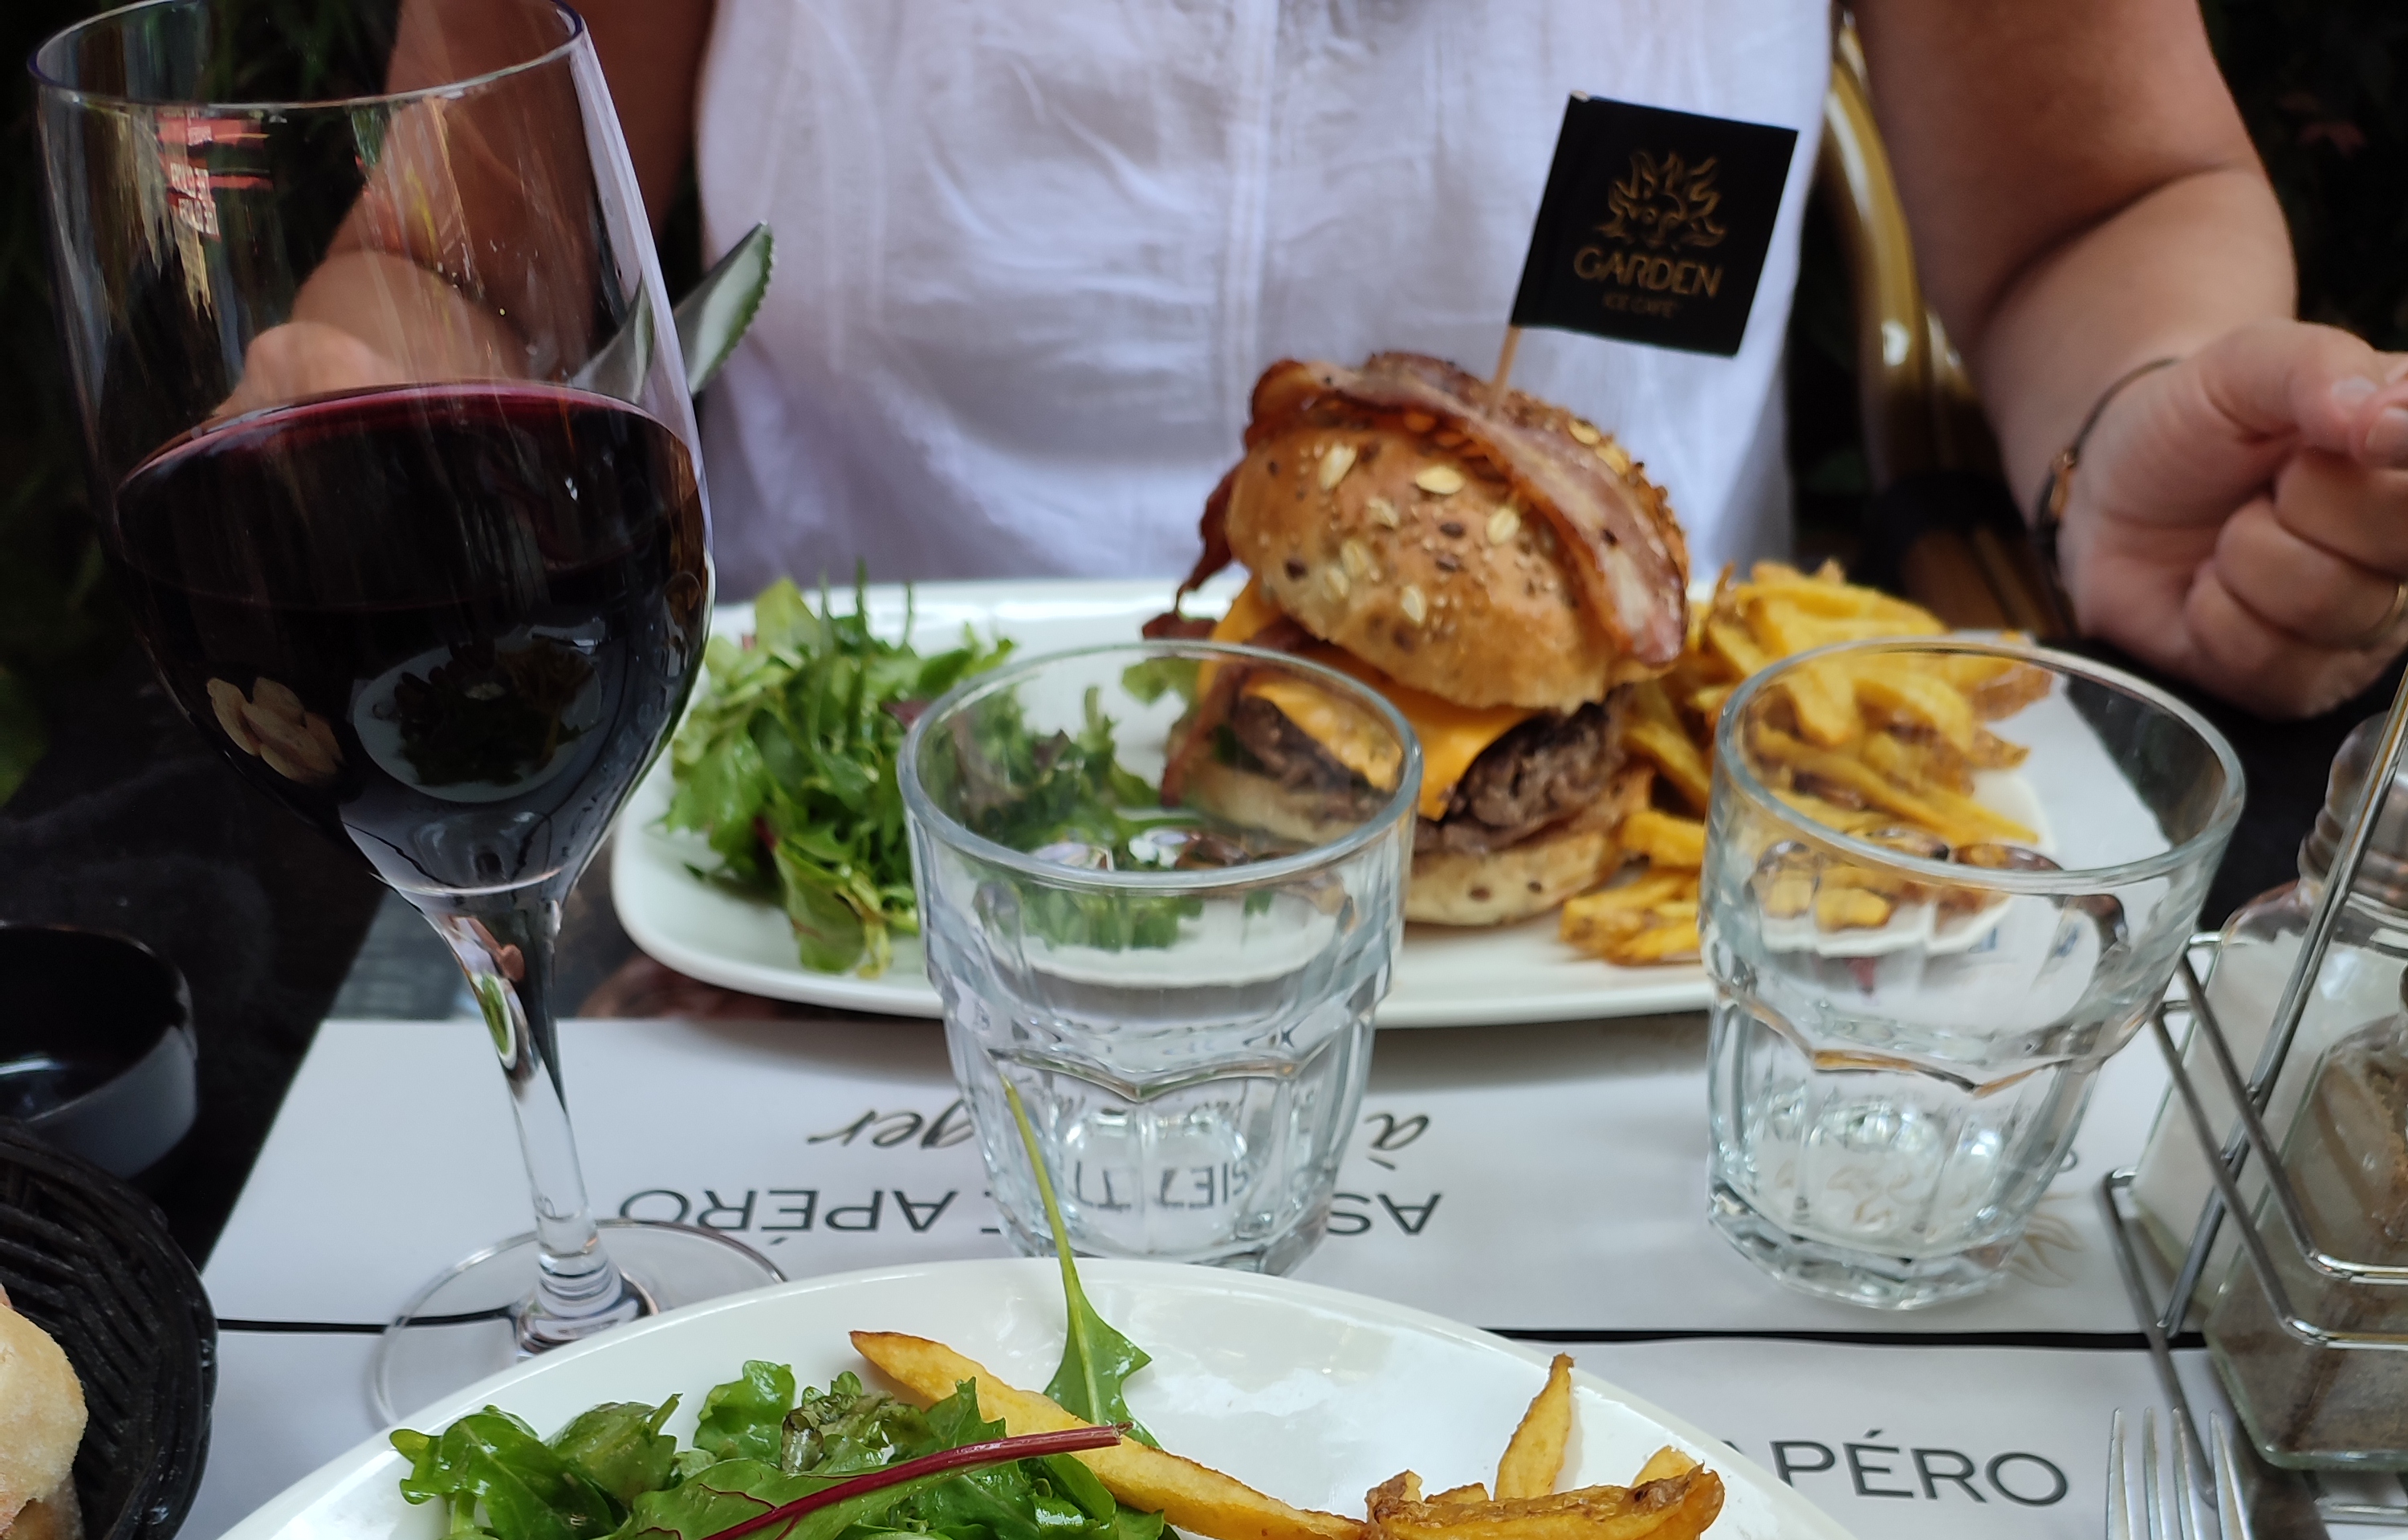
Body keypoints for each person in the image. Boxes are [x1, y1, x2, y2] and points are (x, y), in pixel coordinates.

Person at [230, 0, 2408, 724]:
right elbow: (469, 263)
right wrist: (369, 429)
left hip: (1628, 904)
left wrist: (2143, 412)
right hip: (834, 878)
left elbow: (2097, 206)